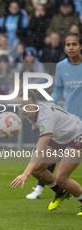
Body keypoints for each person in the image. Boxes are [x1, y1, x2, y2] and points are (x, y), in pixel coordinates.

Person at [26, 32, 82, 199]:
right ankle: (44, 189)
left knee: (63, 169)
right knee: (45, 160)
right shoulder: (61, 66)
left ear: (80, 46)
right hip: (67, 120)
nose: (71, 48)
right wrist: (43, 113)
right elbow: (57, 91)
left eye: (74, 44)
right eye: (68, 45)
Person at [11, 90, 82, 215]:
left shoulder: (45, 117)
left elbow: (38, 151)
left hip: (77, 135)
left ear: (36, 103)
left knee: (60, 178)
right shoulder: (31, 113)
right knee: (37, 170)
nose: (23, 109)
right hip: (60, 138)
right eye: (20, 105)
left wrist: (25, 174)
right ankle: (60, 192)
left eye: (27, 105)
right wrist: (36, 126)